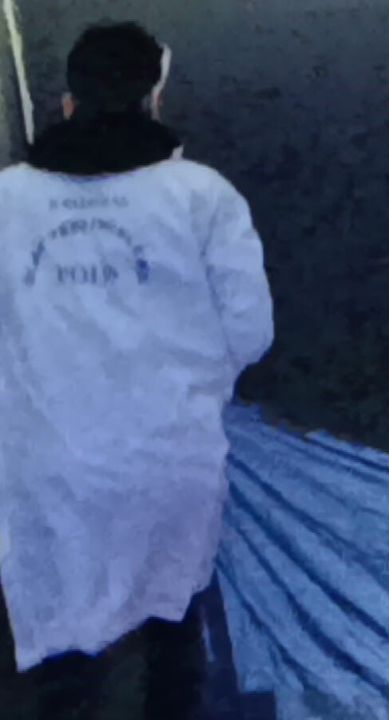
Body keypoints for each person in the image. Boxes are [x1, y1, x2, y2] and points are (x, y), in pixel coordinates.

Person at [0, 21, 274, 718]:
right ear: (155, 97)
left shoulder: (7, 200)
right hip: (168, 459)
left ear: (69, 101)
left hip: (44, 468)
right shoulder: (202, 195)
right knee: (169, 633)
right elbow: (251, 331)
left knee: (60, 651)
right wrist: (186, 384)